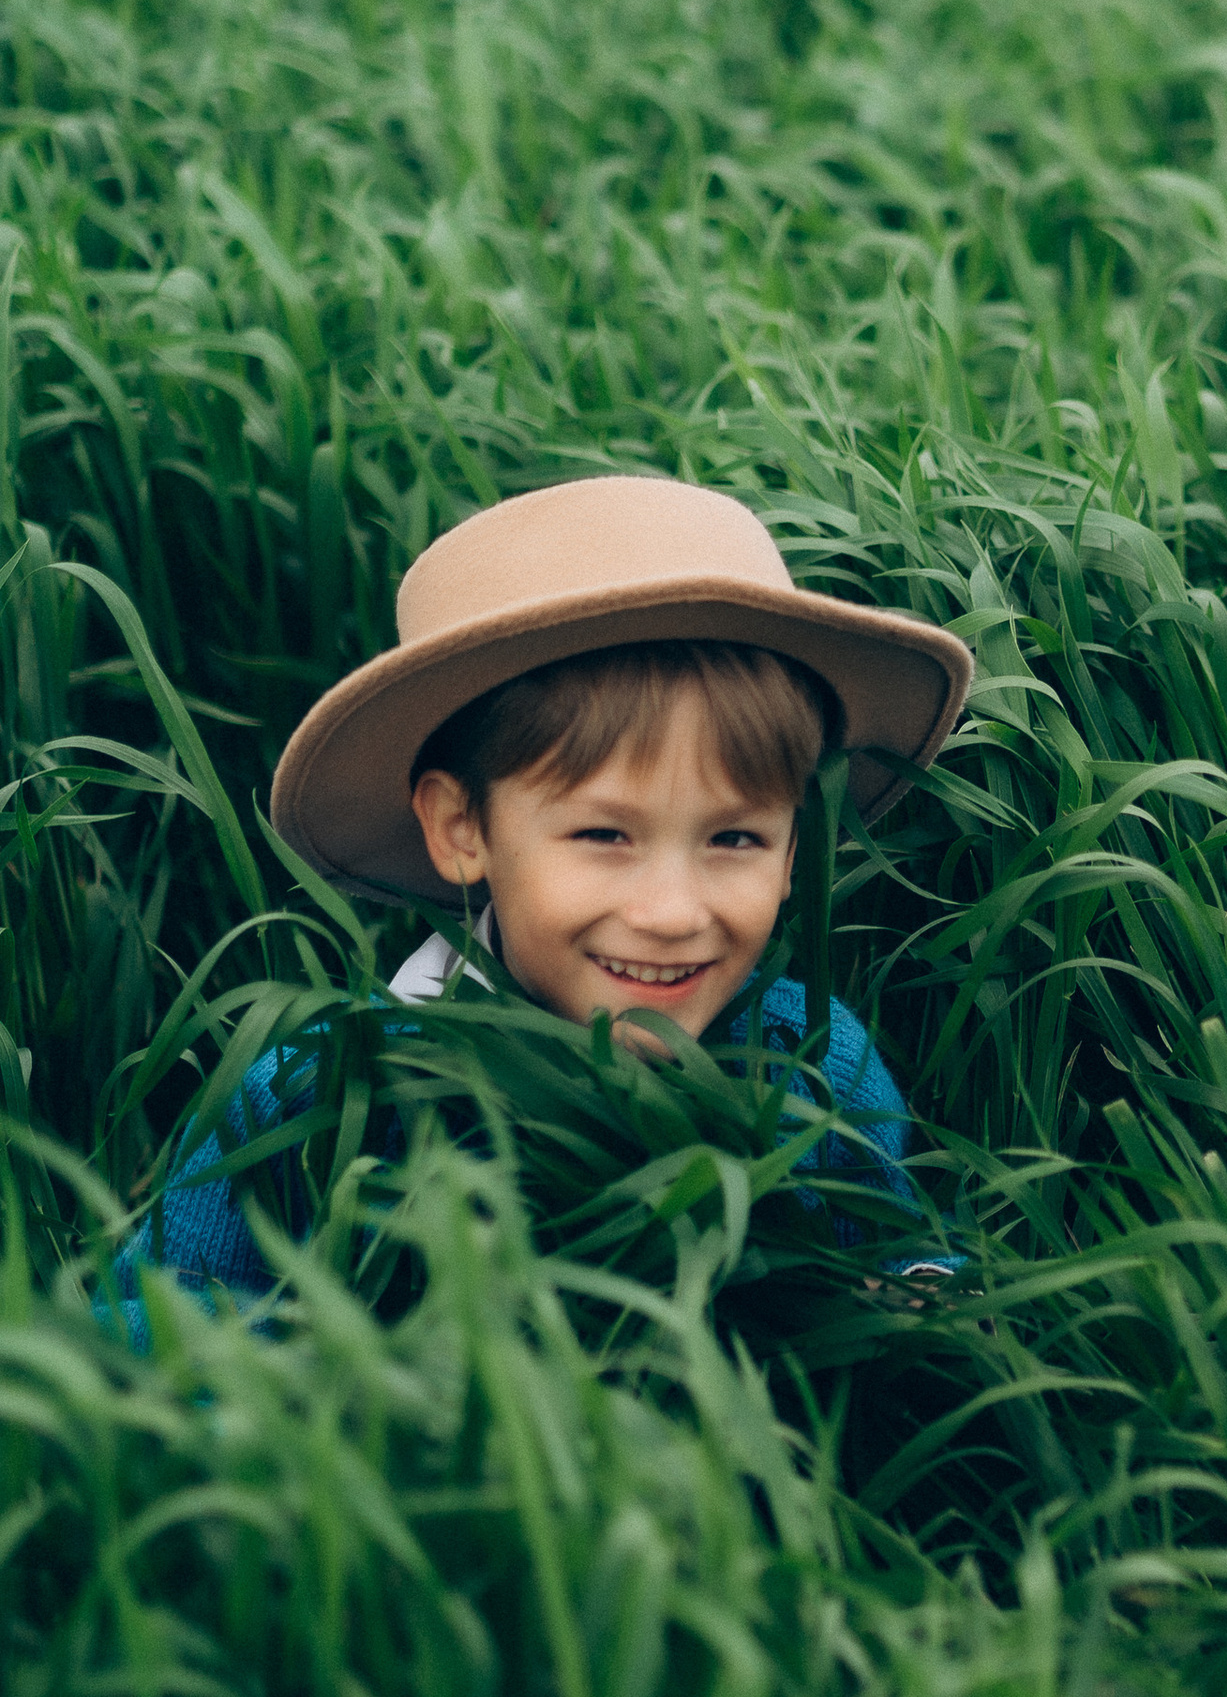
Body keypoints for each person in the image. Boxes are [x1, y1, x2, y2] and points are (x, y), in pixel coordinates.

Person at [116, 472, 973, 1324]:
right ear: (461, 828)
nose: (672, 912)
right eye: (604, 836)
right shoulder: (330, 1092)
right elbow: (149, 1314)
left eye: (735, 839)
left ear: (794, 851)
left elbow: (897, 1253)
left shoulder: (813, 1062)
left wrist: (917, 1300)